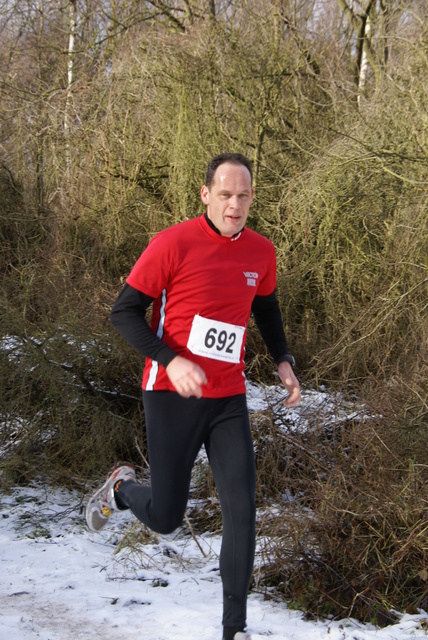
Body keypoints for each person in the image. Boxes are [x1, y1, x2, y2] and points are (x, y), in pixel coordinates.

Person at [85, 153, 301, 640]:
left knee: (242, 509)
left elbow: (265, 308)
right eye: (225, 194)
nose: (235, 204)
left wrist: (283, 360)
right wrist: (170, 358)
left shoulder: (261, 253)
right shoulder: (172, 243)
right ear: (206, 194)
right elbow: (124, 312)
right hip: (170, 393)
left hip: (226, 398)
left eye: (244, 195)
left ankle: (234, 629)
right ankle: (121, 490)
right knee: (165, 517)